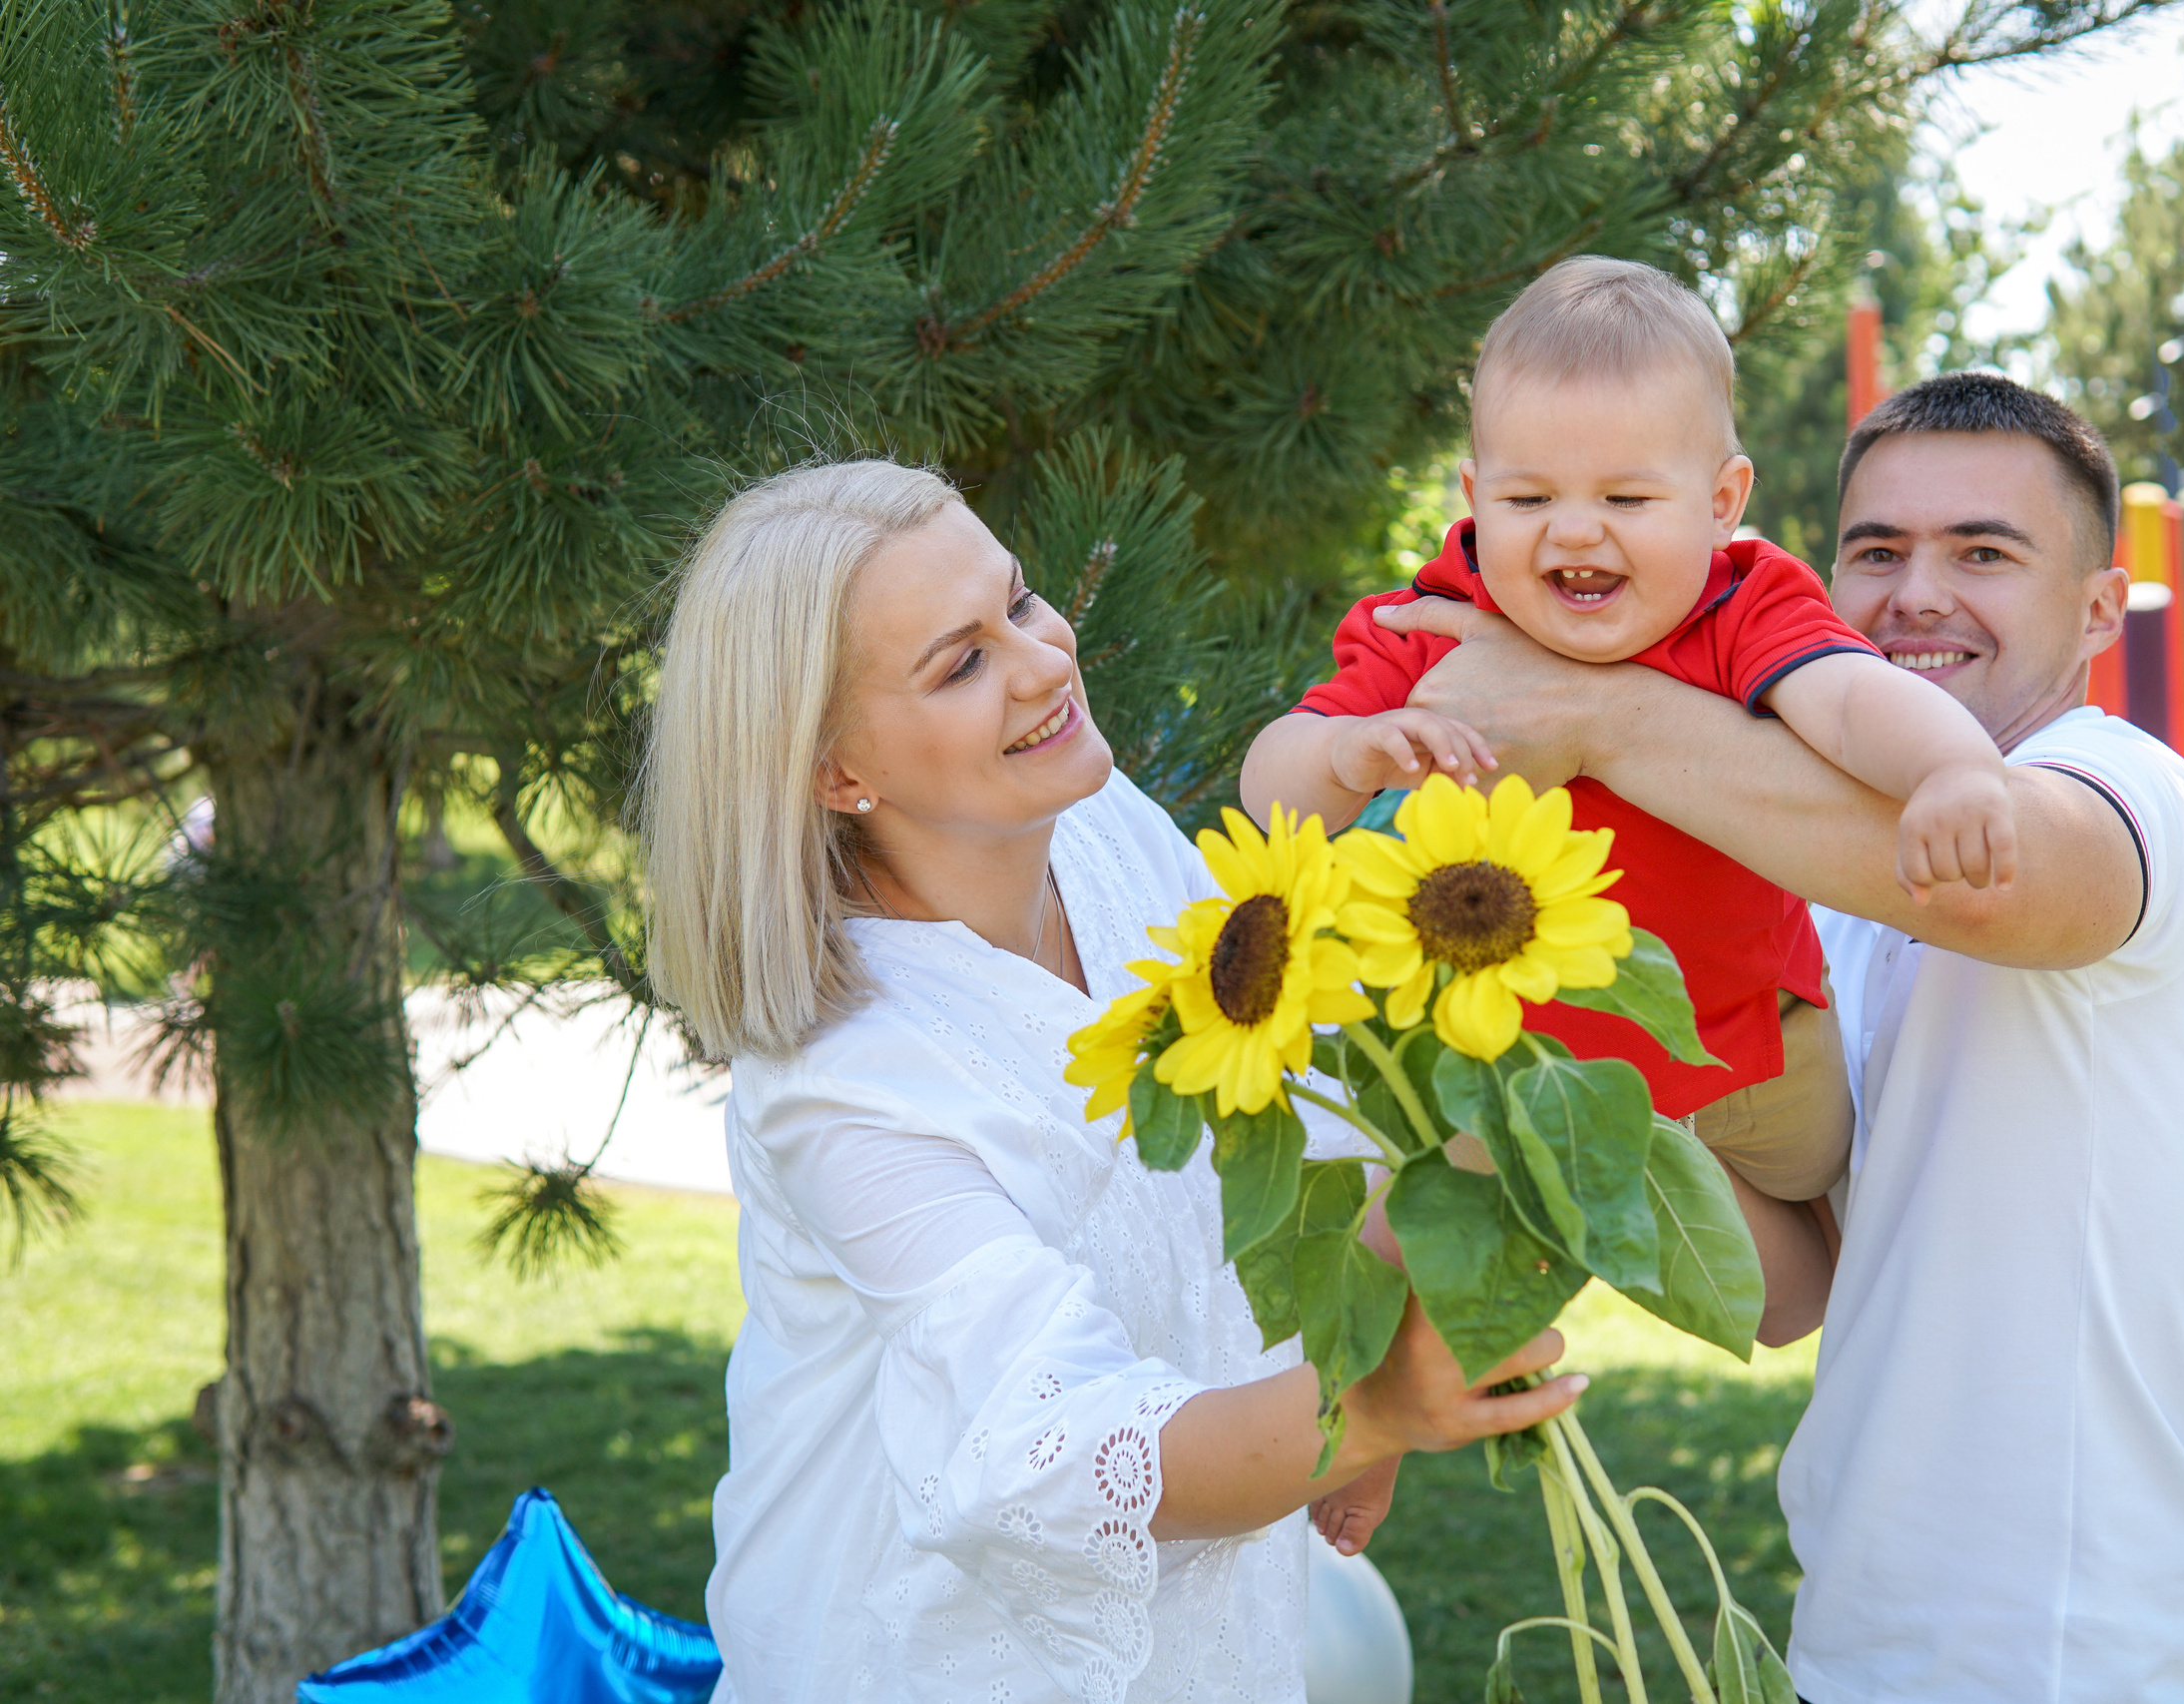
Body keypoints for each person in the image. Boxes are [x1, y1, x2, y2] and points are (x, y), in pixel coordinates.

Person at [1365, 373, 2184, 1702]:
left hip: (2082, 1650)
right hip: (1864, 1632)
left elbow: (1997, 875)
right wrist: (1574, 1104)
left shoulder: (2134, 787)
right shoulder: (1829, 906)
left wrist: (1594, 702)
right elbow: (1792, 1284)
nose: (1916, 594)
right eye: (1876, 550)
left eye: (1984, 552)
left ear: (2095, 610)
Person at [638, 459, 1585, 1704]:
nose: (1041, 662)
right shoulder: (845, 1079)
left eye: (1020, 603)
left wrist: (1358, 1342)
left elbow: (1283, 1129)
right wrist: (1362, 1408)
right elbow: (1047, 1449)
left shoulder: (1098, 831)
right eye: (958, 661)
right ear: (833, 771)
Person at [1246, 257, 2016, 1205]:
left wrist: (1952, 767)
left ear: (1722, 502)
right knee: (1460, 1245)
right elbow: (1271, 787)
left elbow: (1853, 698)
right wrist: (1341, 753)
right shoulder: (1438, 622)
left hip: (1754, 1054)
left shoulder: (1740, 602)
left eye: (1625, 500)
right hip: (1525, 1067)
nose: (1573, 532)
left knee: (1835, 1196)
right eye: (1529, 500)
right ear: (1475, 493)